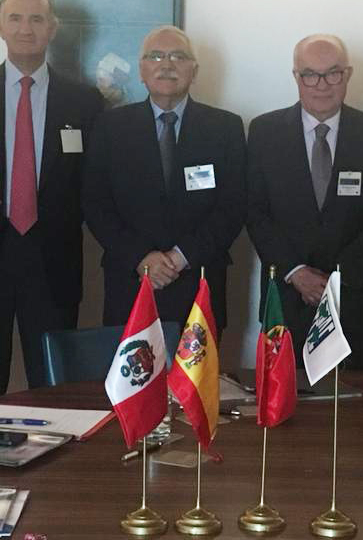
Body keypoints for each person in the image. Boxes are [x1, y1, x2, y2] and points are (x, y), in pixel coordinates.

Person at [0, 0, 103, 398]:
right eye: (15, 18)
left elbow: (94, 186)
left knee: (53, 385)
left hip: (52, 263)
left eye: (36, 19)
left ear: (52, 28)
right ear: (0, 27)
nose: (25, 28)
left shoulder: (84, 101)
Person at [245, 34, 363, 366]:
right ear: (296, 77)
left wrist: (339, 280)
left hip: (352, 299)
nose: (322, 85)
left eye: (333, 73)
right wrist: (297, 272)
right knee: (283, 393)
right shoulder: (264, 132)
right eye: (310, 75)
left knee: (349, 394)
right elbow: (255, 212)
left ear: (348, 74)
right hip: (285, 296)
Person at [83, 25, 246, 327]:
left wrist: (180, 257)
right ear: (141, 71)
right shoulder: (110, 128)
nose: (167, 65)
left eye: (178, 57)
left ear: (194, 71)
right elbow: (95, 204)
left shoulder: (225, 128)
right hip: (130, 284)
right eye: (156, 56)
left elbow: (233, 206)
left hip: (199, 282)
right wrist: (141, 257)